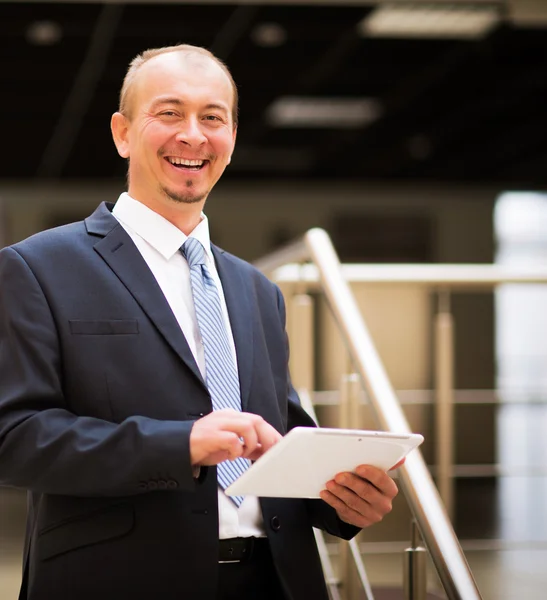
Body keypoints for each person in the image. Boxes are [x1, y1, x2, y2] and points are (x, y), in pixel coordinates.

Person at [0, 44, 399, 600]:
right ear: (122, 133)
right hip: (120, 581)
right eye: (169, 113)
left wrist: (338, 498)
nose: (194, 134)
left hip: (275, 580)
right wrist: (180, 443)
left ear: (232, 139)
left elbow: (275, 437)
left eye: (213, 118)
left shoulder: (256, 290)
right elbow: (14, 437)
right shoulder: (36, 267)